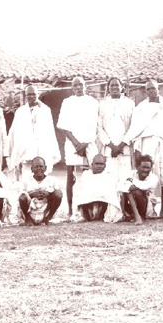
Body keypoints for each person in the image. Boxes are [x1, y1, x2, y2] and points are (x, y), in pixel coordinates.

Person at [114, 79, 163, 215]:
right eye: (149, 89)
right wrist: (134, 148)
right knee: (147, 176)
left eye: (154, 88)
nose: (152, 91)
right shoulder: (140, 107)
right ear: (145, 91)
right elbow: (135, 128)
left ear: (159, 89)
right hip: (144, 142)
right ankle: (149, 209)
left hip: (160, 143)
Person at [56, 77, 99, 219]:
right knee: (70, 176)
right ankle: (70, 210)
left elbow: (95, 125)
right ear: (72, 88)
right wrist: (76, 143)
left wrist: (85, 144)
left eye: (81, 85)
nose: (78, 87)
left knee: (91, 175)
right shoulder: (67, 102)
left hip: (89, 142)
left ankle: (89, 208)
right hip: (72, 142)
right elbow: (63, 125)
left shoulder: (93, 102)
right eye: (75, 85)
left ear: (85, 86)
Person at [7, 85, 61, 181]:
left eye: (33, 94)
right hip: (26, 152)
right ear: (25, 96)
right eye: (28, 95)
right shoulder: (20, 112)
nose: (31, 97)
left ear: (38, 95)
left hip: (41, 152)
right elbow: (15, 132)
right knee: (27, 181)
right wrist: (15, 154)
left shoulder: (45, 110)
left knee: (43, 182)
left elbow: (49, 132)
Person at [97, 77, 134, 195]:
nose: (114, 88)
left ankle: (125, 210)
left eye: (116, 85)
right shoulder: (102, 105)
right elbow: (99, 128)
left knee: (125, 180)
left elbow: (133, 127)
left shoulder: (129, 104)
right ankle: (110, 211)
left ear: (122, 87)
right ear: (108, 88)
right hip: (109, 149)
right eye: (111, 85)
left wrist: (122, 144)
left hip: (124, 148)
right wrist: (111, 146)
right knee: (109, 180)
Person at [17, 156, 63, 226]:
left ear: (45, 168)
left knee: (58, 193)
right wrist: (32, 194)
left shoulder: (52, 180)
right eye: (36, 167)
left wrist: (49, 194)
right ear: (32, 169)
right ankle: (28, 219)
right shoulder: (25, 181)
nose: (39, 169)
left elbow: (58, 195)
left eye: (41, 166)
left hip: (46, 210)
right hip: (31, 211)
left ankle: (48, 218)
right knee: (22, 197)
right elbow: (20, 197)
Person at [73, 154, 116, 222]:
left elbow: (111, 193)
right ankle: (86, 216)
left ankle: (102, 215)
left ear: (105, 166)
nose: (99, 166)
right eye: (97, 164)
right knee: (83, 196)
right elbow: (82, 191)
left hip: (103, 201)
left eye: (101, 164)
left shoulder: (108, 176)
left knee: (107, 197)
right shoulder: (86, 174)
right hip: (88, 201)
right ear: (92, 164)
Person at [119, 155, 159, 225]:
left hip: (145, 207)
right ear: (137, 167)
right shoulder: (130, 173)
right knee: (123, 192)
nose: (146, 170)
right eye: (143, 167)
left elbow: (144, 186)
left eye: (148, 168)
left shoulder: (154, 178)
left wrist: (132, 181)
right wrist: (132, 186)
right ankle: (130, 214)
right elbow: (121, 186)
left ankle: (138, 216)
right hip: (130, 204)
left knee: (137, 192)